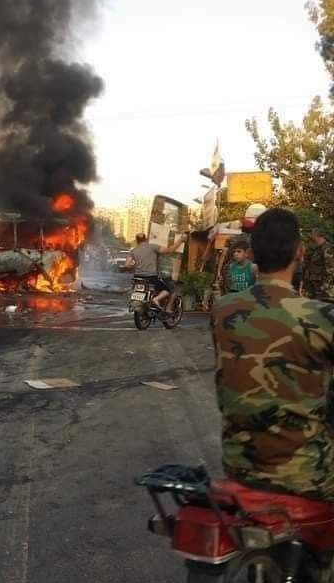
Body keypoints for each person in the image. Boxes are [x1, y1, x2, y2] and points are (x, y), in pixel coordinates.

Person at [211, 208, 334, 498]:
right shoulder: (322, 316)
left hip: (239, 467)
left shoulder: (222, 310)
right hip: (310, 477)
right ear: (300, 252)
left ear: (252, 253)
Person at [125, 231, 186, 313]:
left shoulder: (133, 251)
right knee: (168, 289)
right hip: (151, 277)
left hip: (138, 278)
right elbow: (169, 250)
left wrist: (135, 267)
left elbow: (127, 265)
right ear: (146, 239)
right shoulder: (153, 247)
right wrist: (180, 240)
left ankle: (147, 302)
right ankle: (156, 299)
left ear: (137, 241)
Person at [301, 227, 334, 302]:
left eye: (311, 233)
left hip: (322, 288)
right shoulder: (316, 249)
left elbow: (331, 270)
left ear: (316, 235)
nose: (310, 235)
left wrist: (326, 287)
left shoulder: (327, 249)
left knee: (323, 307)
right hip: (313, 286)